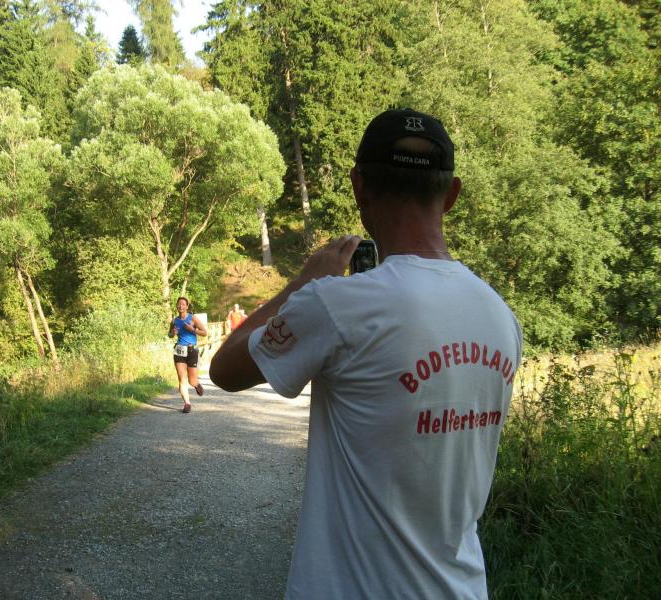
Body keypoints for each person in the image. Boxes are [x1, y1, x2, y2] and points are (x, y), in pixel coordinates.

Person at [210, 108, 522, 599]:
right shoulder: (500, 315)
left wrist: (303, 283)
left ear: (359, 187)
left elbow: (225, 369)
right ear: (452, 194)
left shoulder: (336, 304)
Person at [168, 296, 205, 413]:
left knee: (191, 381)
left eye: (183, 304)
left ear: (187, 306)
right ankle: (187, 403)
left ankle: (196, 384)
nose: (181, 306)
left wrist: (192, 330)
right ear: (177, 306)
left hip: (191, 350)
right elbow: (170, 335)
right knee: (181, 378)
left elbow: (204, 332)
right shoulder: (174, 321)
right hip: (179, 350)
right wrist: (172, 333)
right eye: (179, 304)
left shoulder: (192, 318)